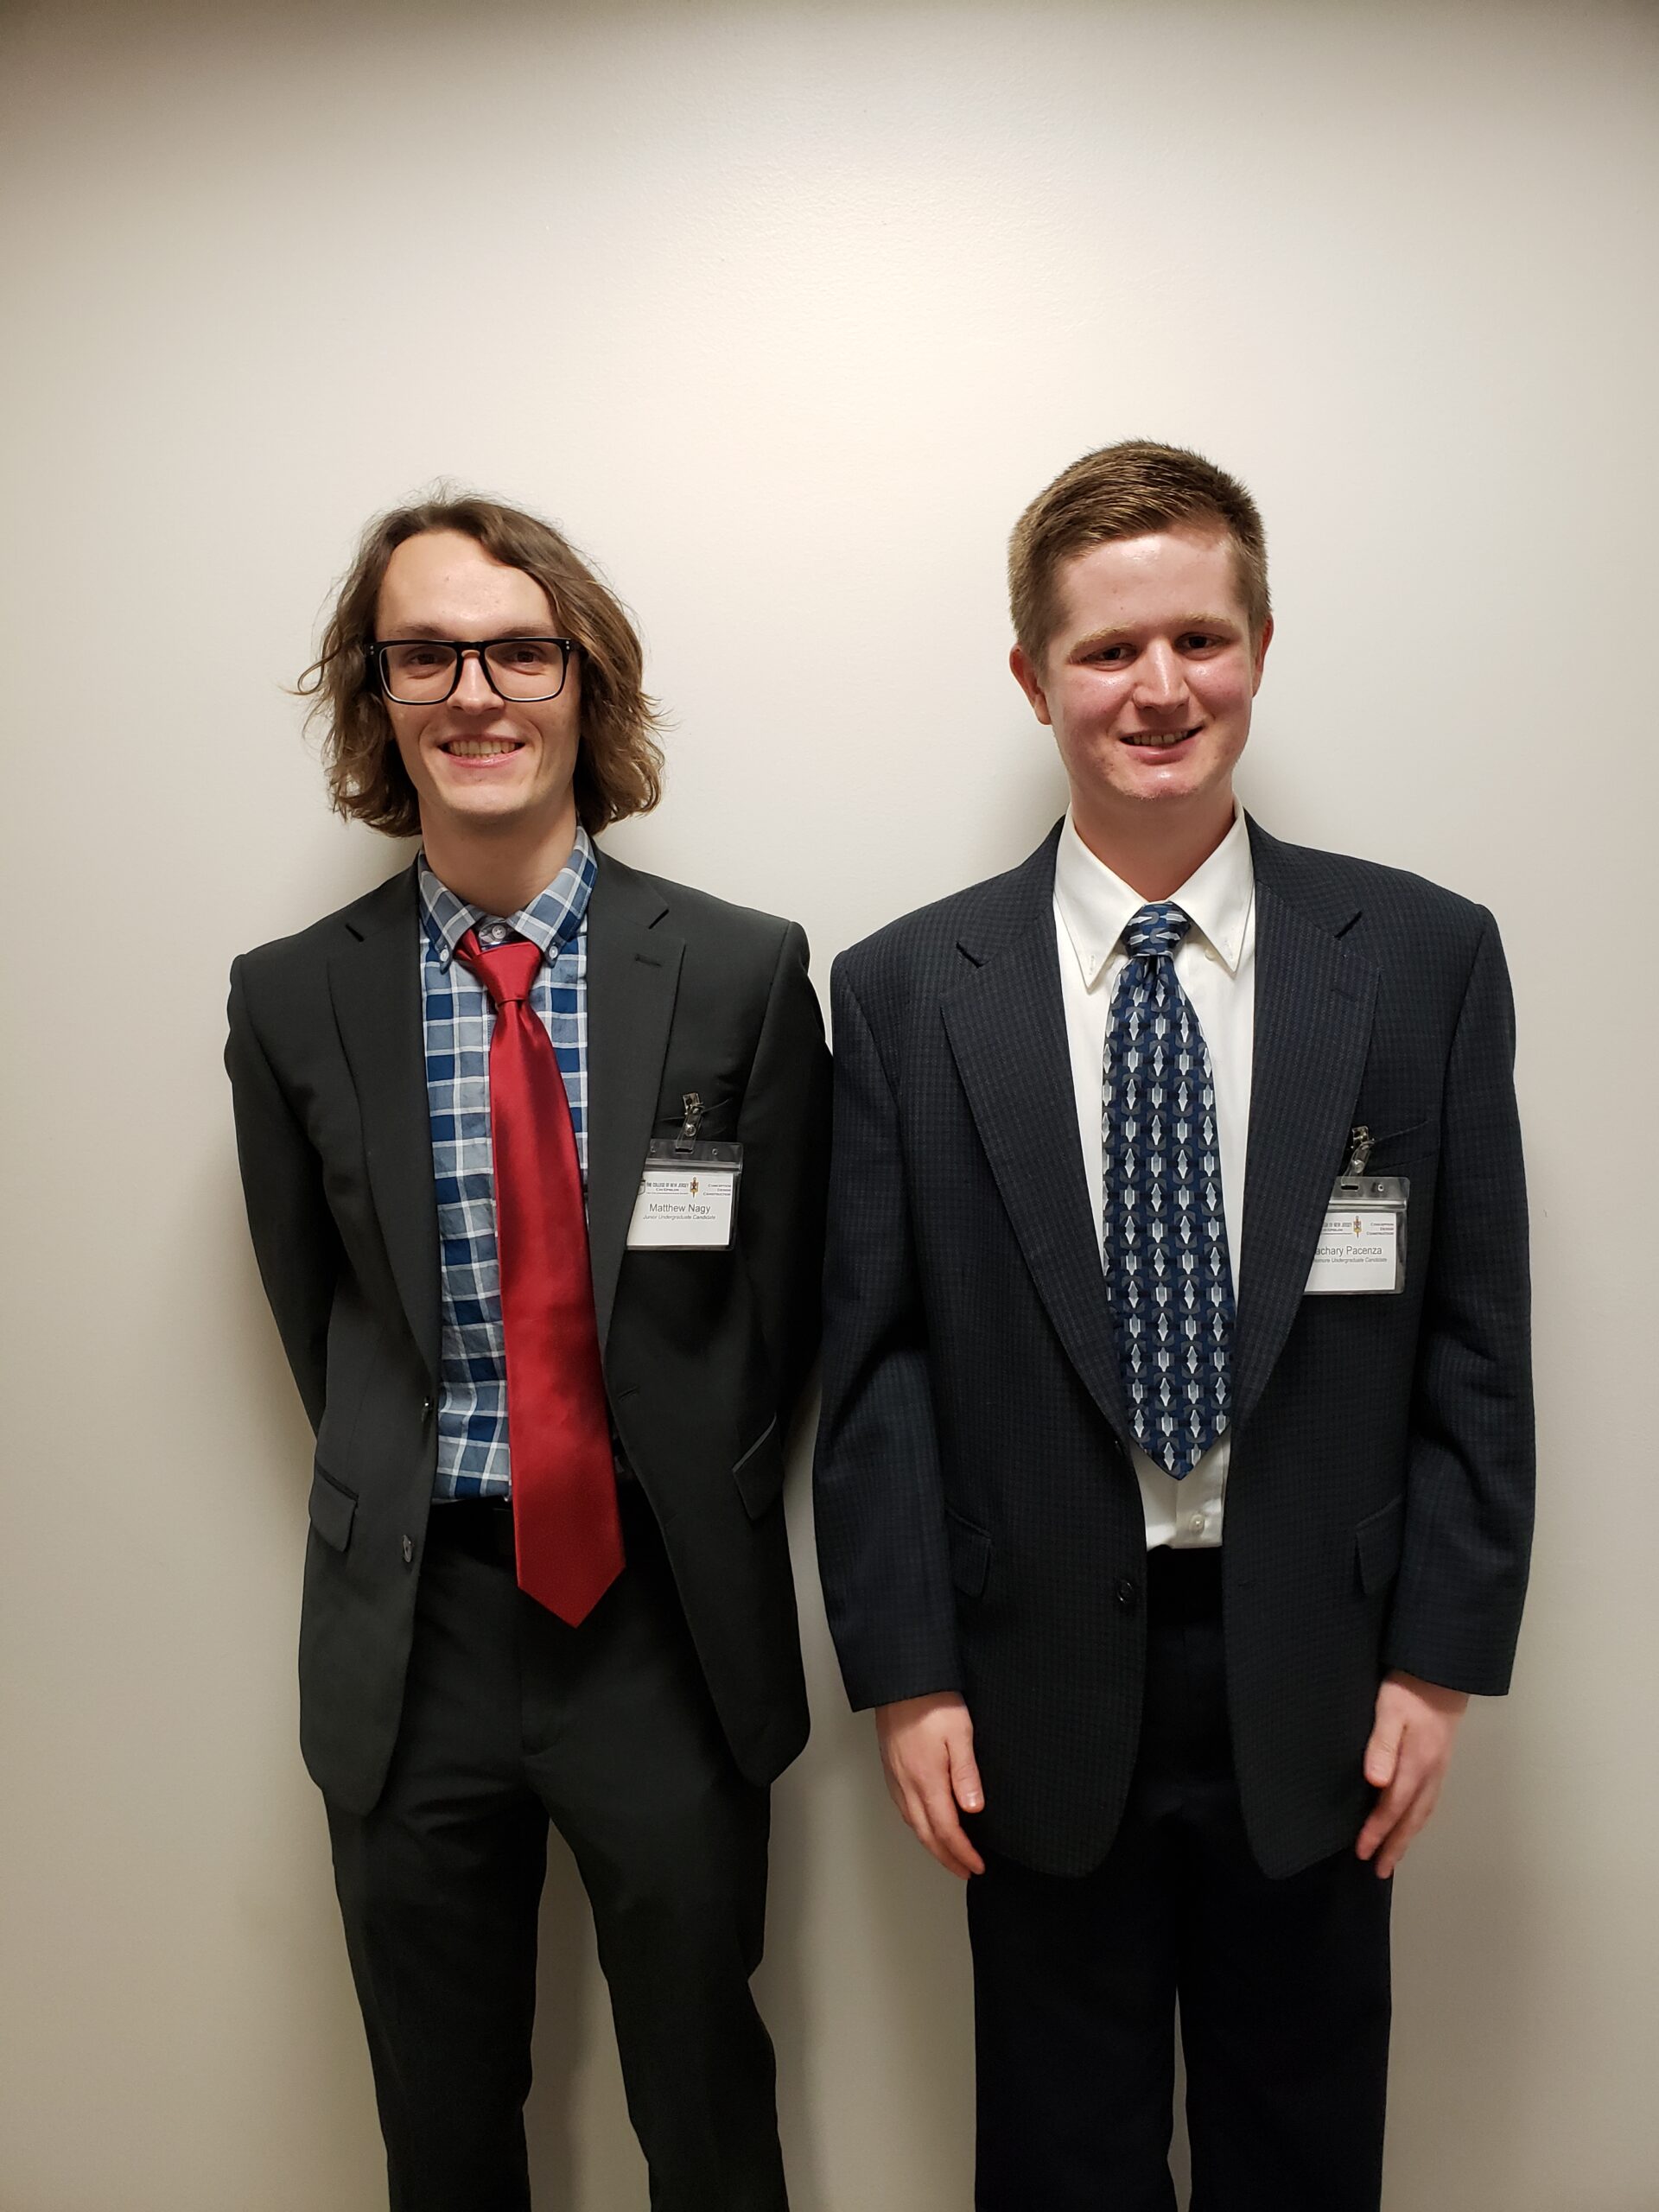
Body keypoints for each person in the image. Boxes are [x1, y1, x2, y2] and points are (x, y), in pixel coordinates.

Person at [813, 441, 1533, 2209]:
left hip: (1323, 1670)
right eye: (1107, 648)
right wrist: (907, 1670)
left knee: (1303, 2152)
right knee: (1061, 2162)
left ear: (1262, 649)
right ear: (1031, 676)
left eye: (1200, 638)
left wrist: (1440, 1653)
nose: (1158, 688)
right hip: (1031, 1674)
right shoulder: (908, 992)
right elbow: (877, 1363)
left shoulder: (1421, 959)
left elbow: (1476, 1335)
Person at [226, 494, 830, 2212]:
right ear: (378, 692)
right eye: (425, 650)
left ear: (582, 682)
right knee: (439, 2122)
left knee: (708, 2102)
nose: (472, 689)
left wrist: (677, 1487)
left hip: (661, 1623)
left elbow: (780, 1313)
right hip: (412, 1639)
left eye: (517, 647)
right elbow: (318, 1313)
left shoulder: (738, 971)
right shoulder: (290, 998)